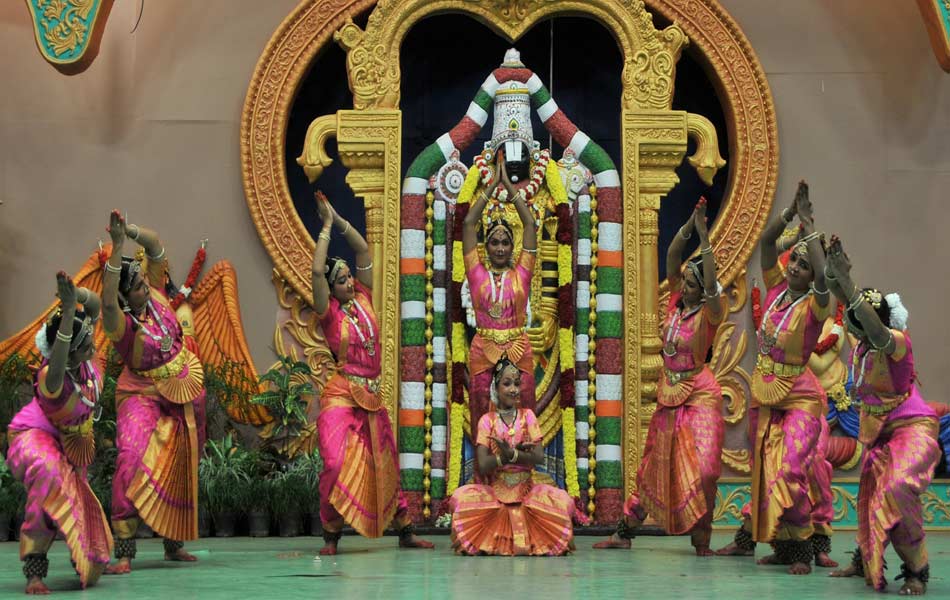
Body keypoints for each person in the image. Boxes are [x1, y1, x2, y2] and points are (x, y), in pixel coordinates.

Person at [594, 198, 724, 555]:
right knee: (654, 465)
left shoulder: (710, 313)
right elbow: (670, 256)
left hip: (700, 393)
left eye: (691, 283)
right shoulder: (675, 306)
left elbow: (712, 285)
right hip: (670, 391)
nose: (684, 287)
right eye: (684, 282)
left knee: (707, 469)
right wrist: (688, 228)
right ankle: (625, 530)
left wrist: (705, 241)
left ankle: (702, 538)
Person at [716, 181, 834, 574]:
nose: (796, 267)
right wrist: (787, 217)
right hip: (763, 392)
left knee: (792, 468)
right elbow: (767, 245)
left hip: (799, 396)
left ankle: (801, 549)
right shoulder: (776, 290)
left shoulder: (817, 305)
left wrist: (808, 224)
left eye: (804, 263)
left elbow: (823, 276)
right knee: (763, 470)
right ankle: (768, 543)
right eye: (795, 262)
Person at [311, 191, 433, 555]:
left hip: (372, 395)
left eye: (350, 277)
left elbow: (363, 250)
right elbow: (317, 270)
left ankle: (405, 529)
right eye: (342, 280)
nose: (350, 282)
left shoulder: (364, 296)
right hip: (342, 395)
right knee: (334, 461)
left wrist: (340, 218)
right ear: (331, 290)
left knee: (385, 462)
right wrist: (327, 229)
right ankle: (331, 534)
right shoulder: (329, 313)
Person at [824, 236, 938, 595]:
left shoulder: (896, 343)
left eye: (865, 321)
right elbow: (843, 301)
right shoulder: (861, 347)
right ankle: (865, 559)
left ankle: (917, 570)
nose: (858, 326)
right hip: (882, 437)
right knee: (872, 499)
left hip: (913, 430)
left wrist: (850, 283)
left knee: (897, 488)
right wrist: (834, 268)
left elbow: (871, 324)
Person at [101, 211, 205, 573]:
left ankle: (173, 544)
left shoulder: (158, 297)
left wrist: (128, 232)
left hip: (181, 392)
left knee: (179, 461)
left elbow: (156, 246)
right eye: (139, 287)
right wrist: (116, 248)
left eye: (146, 282)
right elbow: (108, 301)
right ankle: (126, 552)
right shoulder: (121, 324)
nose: (147, 288)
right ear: (125, 295)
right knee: (131, 458)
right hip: (140, 393)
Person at [6, 273, 112, 593]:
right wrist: (67, 315)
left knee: (79, 521)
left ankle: (80, 555)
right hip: (32, 436)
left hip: (71, 444)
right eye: (86, 346)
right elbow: (62, 352)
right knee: (50, 479)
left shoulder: (90, 367)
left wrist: (75, 295)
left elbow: (94, 306)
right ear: (69, 351)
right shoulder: (53, 379)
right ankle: (34, 572)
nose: (94, 347)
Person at [448, 357, 578, 555]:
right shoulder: (487, 420)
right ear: (495, 387)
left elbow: (538, 456)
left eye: (517, 384)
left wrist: (514, 454)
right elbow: (483, 464)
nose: (513, 389)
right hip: (497, 494)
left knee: (564, 502)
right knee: (459, 498)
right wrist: (505, 458)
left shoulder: (528, 416)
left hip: (527, 492)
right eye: (506, 383)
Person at [462, 153, 538, 443]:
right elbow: (469, 224)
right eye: (494, 241)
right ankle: (485, 477)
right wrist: (492, 187)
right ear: (486, 246)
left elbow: (529, 225)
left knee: (525, 409)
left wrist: (510, 187)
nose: (501, 247)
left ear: (512, 246)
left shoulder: (522, 273)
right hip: (483, 348)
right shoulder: (476, 273)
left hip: (519, 346)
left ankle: (522, 473)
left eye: (506, 242)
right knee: (481, 409)